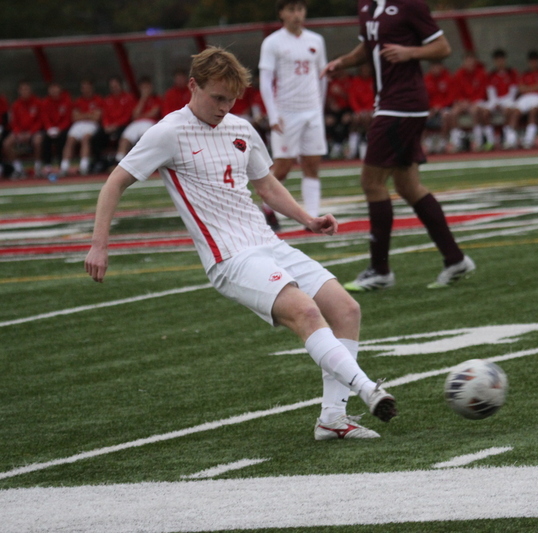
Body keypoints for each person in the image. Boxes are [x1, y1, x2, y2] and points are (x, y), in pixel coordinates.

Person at [84, 47, 396, 440]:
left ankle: (332, 421)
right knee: (307, 313)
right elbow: (115, 182)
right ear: (193, 86)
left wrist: (308, 219)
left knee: (346, 309)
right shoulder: (168, 132)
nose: (224, 106)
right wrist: (99, 244)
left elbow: (266, 185)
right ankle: (368, 389)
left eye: (231, 99)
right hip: (229, 257)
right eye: (217, 97)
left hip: (267, 242)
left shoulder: (241, 129)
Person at [323, 0, 475, 291]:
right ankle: (455, 260)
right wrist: (343, 62)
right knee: (408, 186)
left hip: (402, 105)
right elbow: (367, 47)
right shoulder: (366, 6)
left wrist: (410, 52)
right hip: (392, 104)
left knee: (371, 181)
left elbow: (442, 47)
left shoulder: (410, 4)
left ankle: (380, 270)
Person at [259, 0, 328, 232]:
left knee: (312, 165)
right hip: (286, 113)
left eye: (300, 9)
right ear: (281, 13)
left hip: (312, 112)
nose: (297, 14)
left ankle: (313, 218)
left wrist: (320, 107)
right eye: (291, 10)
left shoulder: (316, 40)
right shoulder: (272, 42)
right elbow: (266, 81)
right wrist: (273, 114)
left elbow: (323, 76)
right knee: (283, 168)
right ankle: (266, 208)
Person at [93, 76, 136, 172]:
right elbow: (105, 115)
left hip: (122, 126)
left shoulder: (128, 98)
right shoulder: (108, 99)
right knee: (96, 137)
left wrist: (116, 125)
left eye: (116, 85)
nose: (114, 88)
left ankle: (120, 162)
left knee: (123, 136)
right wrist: (107, 125)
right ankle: (100, 163)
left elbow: (128, 115)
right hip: (109, 127)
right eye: (112, 86)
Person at [60, 79, 103, 176]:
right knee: (70, 140)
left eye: (88, 87)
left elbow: (96, 117)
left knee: (85, 138)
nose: (86, 90)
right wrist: (89, 115)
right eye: (84, 88)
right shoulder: (78, 101)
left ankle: (84, 166)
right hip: (79, 124)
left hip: (91, 125)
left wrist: (82, 115)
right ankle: (64, 167)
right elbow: (74, 117)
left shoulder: (98, 100)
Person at [450, 52, 490, 152]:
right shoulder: (459, 74)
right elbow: (456, 92)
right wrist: (463, 102)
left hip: (478, 102)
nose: (469, 63)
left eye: (471, 61)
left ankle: (478, 141)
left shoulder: (481, 73)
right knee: (453, 113)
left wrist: (471, 103)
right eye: (467, 61)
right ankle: (456, 142)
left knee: (475, 111)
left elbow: (482, 93)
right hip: (464, 103)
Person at [2, 81, 43, 178]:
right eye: (22, 90)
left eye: (26, 89)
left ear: (30, 90)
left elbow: (40, 121)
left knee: (38, 141)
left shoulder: (37, 102)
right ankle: (18, 168)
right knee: (6, 143)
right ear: (19, 91)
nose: (25, 92)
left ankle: (38, 167)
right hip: (20, 132)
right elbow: (13, 122)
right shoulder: (16, 105)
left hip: (34, 131)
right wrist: (18, 133)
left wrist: (30, 132)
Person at [116, 76, 162, 163]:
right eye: (143, 87)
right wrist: (143, 98)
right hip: (136, 123)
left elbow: (153, 113)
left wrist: (141, 115)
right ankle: (119, 162)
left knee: (144, 138)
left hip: (150, 122)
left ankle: (145, 162)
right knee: (125, 140)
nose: (145, 90)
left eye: (147, 87)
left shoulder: (157, 98)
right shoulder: (137, 100)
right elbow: (134, 115)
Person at [509, 50, 538, 149]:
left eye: (535, 61)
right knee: (515, 112)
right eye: (531, 61)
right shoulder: (525, 74)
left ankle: (528, 139)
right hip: (525, 97)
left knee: (533, 111)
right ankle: (511, 140)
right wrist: (535, 87)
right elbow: (521, 88)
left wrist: (529, 88)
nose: (533, 63)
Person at [485, 49, 519, 150]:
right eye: (497, 60)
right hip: (496, 101)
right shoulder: (491, 74)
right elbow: (491, 92)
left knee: (508, 110)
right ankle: (491, 140)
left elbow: (513, 92)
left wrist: (504, 104)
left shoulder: (512, 73)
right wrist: (496, 103)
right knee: (485, 112)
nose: (500, 62)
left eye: (502, 59)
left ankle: (509, 139)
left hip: (509, 101)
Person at [40, 81, 72, 176]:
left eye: (56, 87)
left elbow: (67, 118)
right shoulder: (45, 102)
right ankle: (47, 164)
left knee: (63, 138)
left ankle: (61, 164)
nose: (54, 90)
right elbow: (44, 117)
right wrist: (50, 129)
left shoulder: (66, 101)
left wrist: (59, 129)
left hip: (62, 129)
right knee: (45, 139)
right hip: (50, 129)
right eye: (52, 88)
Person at [423, 60, 455, 154]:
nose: (436, 69)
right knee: (421, 116)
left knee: (446, 116)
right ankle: (426, 142)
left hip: (445, 107)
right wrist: (432, 108)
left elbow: (451, 96)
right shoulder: (426, 79)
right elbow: (424, 97)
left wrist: (440, 107)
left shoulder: (448, 78)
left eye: (438, 66)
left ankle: (443, 141)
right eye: (434, 67)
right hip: (431, 108)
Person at [348, 63, 375, 159]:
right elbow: (352, 99)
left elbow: (376, 97)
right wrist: (359, 111)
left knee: (369, 119)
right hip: (360, 110)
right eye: (363, 69)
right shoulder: (356, 81)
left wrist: (371, 110)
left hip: (374, 110)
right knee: (355, 120)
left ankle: (369, 144)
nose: (365, 71)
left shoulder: (374, 81)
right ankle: (352, 147)